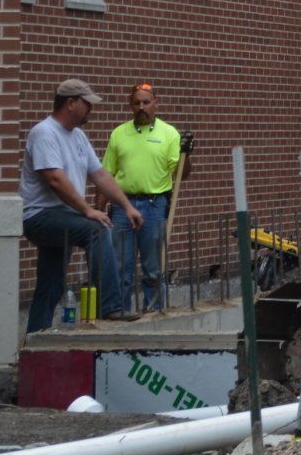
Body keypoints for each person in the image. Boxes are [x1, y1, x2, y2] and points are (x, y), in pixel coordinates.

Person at [21, 78, 142, 333]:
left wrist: (126, 206)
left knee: (51, 283)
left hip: (63, 216)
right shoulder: (44, 133)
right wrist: (87, 210)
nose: (91, 110)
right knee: (96, 229)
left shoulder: (77, 136)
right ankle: (110, 305)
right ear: (70, 103)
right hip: (40, 216)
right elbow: (55, 179)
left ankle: (34, 339)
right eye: (87, 104)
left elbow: (100, 175)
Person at [101, 82, 186, 316]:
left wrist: (186, 154)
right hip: (121, 206)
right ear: (130, 105)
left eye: (146, 102)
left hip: (154, 205)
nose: (141, 107)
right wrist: (97, 209)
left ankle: (154, 314)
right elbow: (107, 174)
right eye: (137, 103)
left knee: (153, 267)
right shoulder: (119, 133)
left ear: (155, 104)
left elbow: (182, 173)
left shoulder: (169, 134)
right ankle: (119, 314)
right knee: (120, 268)